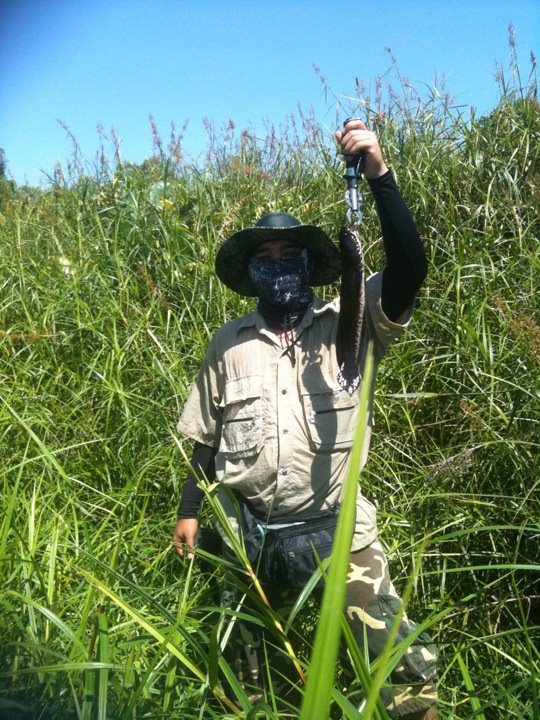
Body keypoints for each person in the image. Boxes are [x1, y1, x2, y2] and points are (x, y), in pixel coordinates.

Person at [172, 119, 438, 719]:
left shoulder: (353, 318)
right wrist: (189, 510)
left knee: (402, 679)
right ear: (251, 274)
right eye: (265, 258)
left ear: (310, 263)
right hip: (250, 538)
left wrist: (379, 174)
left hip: (340, 534)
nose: (278, 266)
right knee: (249, 686)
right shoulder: (228, 344)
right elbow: (206, 437)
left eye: (289, 255)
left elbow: (411, 267)